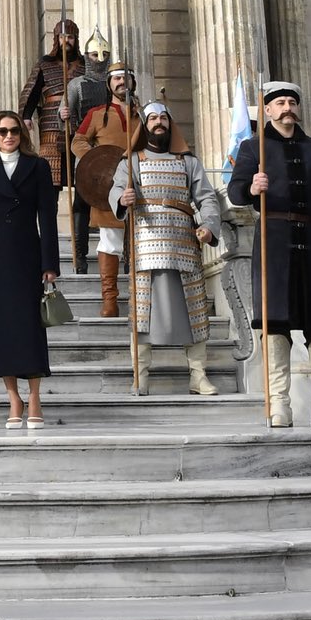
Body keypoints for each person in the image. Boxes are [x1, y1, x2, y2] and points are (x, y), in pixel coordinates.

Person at [226, 81, 311, 424]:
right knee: (276, 320)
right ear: (267, 110)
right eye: (279, 102)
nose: (287, 108)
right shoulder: (252, 148)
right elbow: (235, 191)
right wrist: (252, 187)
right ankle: (278, 402)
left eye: (291, 102)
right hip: (273, 239)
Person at [114, 102, 226, 398]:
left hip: (184, 242)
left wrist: (209, 226)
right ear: (144, 124)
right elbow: (115, 190)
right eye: (153, 118)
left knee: (195, 309)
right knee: (142, 312)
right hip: (146, 242)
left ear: (170, 123)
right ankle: (140, 375)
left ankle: (198, 375)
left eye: (163, 117)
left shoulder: (188, 162)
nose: (158, 122)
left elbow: (207, 198)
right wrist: (122, 197)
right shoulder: (131, 162)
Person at [0, 113, 57, 428]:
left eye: (14, 130)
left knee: (29, 327)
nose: (8, 136)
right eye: (2, 131)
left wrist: (50, 263)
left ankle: (34, 396)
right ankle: (13, 397)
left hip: (26, 256)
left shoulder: (38, 167)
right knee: (2, 330)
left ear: (22, 133)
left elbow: (47, 216)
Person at [71, 61, 137, 318]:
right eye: (117, 79)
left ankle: (138, 298)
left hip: (141, 185)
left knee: (141, 244)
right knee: (110, 241)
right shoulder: (97, 114)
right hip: (109, 189)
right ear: (109, 84)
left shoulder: (146, 114)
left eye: (126, 78)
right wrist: (96, 163)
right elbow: (78, 140)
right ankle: (110, 299)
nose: (122, 83)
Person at [62, 31, 113, 274]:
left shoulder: (115, 84)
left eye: (103, 54)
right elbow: (67, 114)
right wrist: (63, 113)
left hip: (113, 151)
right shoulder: (76, 85)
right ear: (86, 56)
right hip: (85, 150)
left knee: (115, 203)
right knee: (81, 203)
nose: (99, 58)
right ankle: (80, 256)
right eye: (94, 54)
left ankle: (122, 256)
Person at [19, 19, 84, 199]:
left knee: (82, 174)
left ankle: (80, 225)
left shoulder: (85, 65)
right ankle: (50, 224)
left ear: (76, 39)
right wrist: (26, 116)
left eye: (70, 37)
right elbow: (31, 91)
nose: (67, 40)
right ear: (57, 39)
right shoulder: (45, 64)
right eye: (63, 36)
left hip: (79, 124)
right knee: (50, 178)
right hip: (51, 125)